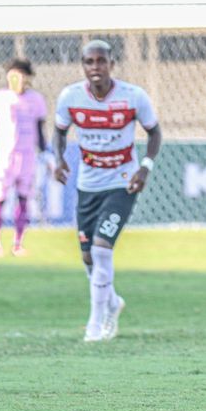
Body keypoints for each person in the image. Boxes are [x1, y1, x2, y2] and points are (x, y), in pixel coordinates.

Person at [52, 40, 161, 342]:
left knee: (101, 248)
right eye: (89, 61)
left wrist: (146, 166)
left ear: (112, 64)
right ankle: (112, 303)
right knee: (88, 257)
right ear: (83, 65)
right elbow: (59, 133)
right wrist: (58, 159)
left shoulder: (133, 96)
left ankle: (96, 324)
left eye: (101, 61)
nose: (95, 67)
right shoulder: (70, 97)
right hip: (88, 185)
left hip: (122, 182)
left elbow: (154, 131)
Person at [0, 58, 48, 257]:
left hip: (27, 156)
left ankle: (18, 243)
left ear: (28, 78)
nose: (17, 79)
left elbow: (40, 131)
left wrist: (47, 154)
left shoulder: (36, 99)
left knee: (24, 199)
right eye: (13, 75)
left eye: (21, 75)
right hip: (3, 157)